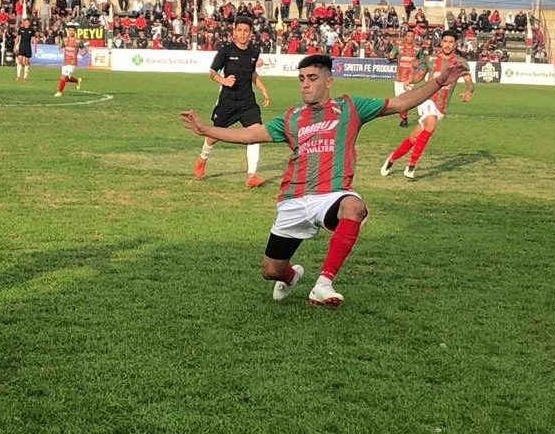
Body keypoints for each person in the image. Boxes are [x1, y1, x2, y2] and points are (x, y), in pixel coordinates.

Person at [180, 54, 464, 307]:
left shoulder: (351, 107)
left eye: (312, 78)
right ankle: (292, 276)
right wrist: (207, 129)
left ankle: (324, 283)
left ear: (329, 81)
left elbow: (402, 101)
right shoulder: (292, 117)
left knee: (353, 207)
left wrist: (439, 81)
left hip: (332, 195)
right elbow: (251, 135)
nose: (305, 84)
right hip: (293, 200)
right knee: (271, 270)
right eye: (301, 79)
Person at [381, 30, 474, 179]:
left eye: (451, 42)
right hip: (426, 98)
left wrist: (469, 91)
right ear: (441, 43)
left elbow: (469, 81)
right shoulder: (430, 59)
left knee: (415, 136)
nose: (448, 45)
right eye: (445, 41)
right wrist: (411, 80)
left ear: (455, 44)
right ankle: (411, 166)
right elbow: (420, 75)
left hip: (442, 106)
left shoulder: (461, 62)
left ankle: (392, 158)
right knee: (431, 125)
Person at [192, 16, 270, 188]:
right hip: (228, 102)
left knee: (255, 134)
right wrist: (223, 80)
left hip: (248, 102)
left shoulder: (254, 52)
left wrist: (263, 89)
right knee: (213, 136)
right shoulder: (225, 51)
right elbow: (212, 72)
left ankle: (252, 176)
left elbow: (252, 74)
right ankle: (202, 159)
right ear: (234, 32)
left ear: (250, 33)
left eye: (246, 31)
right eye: (240, 30)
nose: (242, 34)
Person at [385, 28, 422, 127]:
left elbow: (421, 61)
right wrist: (390, 56)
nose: (410, 38)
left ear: (414, 37)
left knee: (405, 100)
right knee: (399, 101)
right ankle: (404, 118)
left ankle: (407, 118)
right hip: (399, 78)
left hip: (410, 79)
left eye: (412, 36)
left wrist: (417, 64)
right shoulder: (398, 47)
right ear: (405, 37)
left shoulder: (418, 49)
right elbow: (391, 56)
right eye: (408, 36)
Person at [54, 28, 83, 97]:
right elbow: (60, 48)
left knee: (63, 77)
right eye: (70, 30)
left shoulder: (78, 41)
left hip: (73, 62)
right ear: (68, 32)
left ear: (75, 32)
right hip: (65, 61)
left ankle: (59, 92)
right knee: (66, 78)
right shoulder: (65, 39)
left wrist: (83, 52)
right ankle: (77, 80)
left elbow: (83, 49)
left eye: (73, 30)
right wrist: (59, 46)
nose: (71, 32)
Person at [14, 17, 35, 81]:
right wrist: (15, 46)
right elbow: (17, 38)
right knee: (20, 60)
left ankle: (25, 77)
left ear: (29, 23)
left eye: (28, 22)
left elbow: (34, 39)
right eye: (25, 22)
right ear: (24, 23)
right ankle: (18, 76)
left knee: (26, 62)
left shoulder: (32, 30)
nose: (26, 24)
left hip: (28, 46)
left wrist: (36, 47)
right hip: (21, 46)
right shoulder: (21, 29)